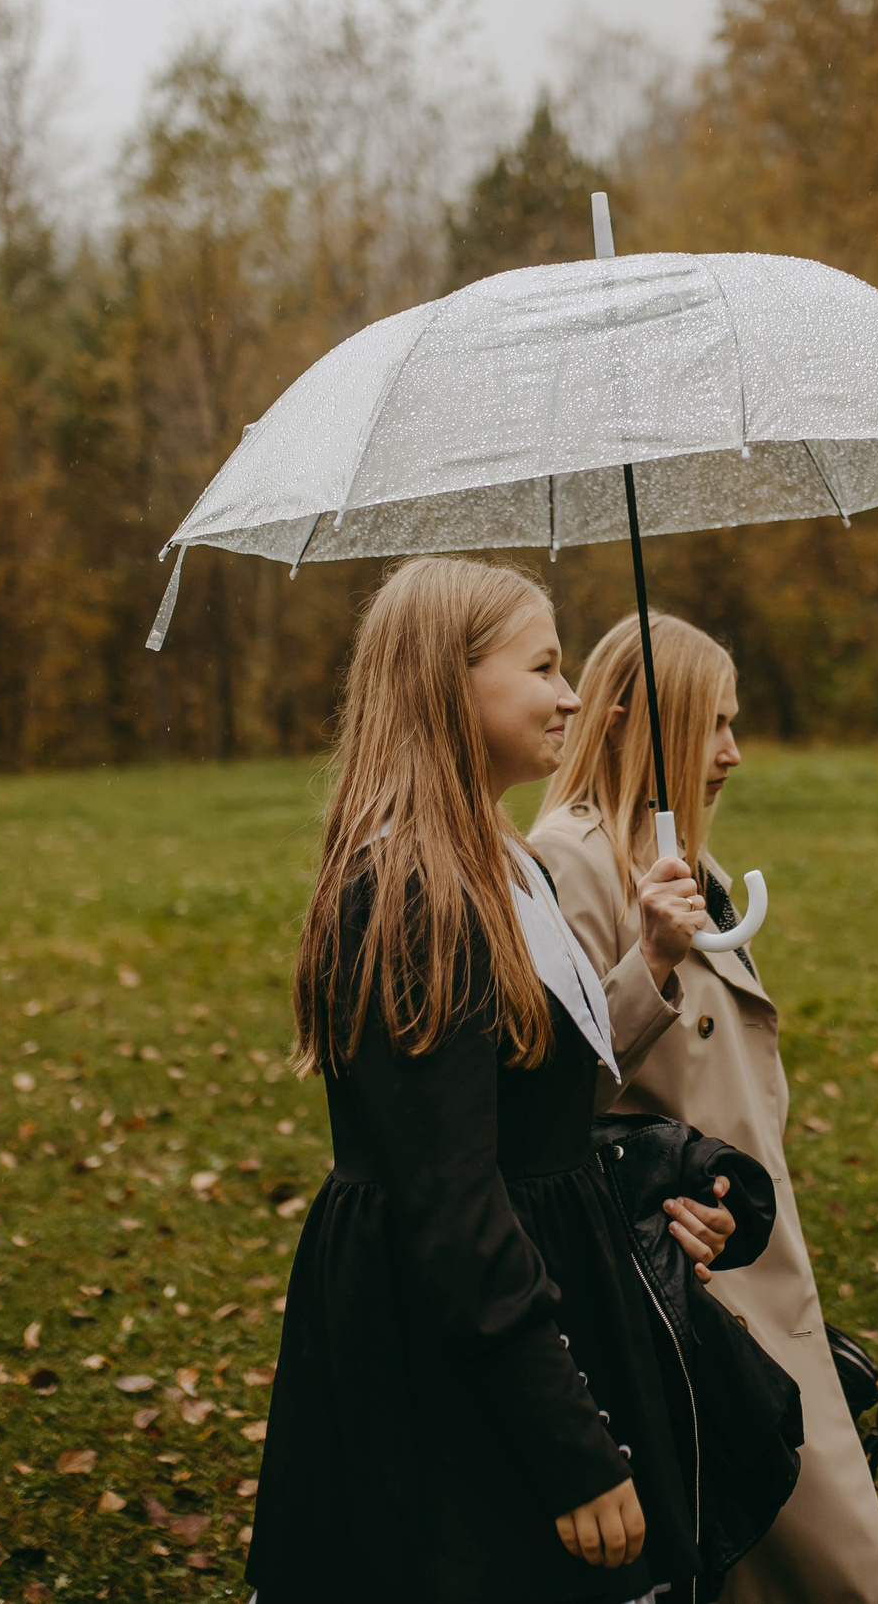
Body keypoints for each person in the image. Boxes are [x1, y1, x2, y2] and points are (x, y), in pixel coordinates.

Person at [246, 557, 752, 1604]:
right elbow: (452, 1201)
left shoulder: (503, 859)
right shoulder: (414, 892)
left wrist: (644, 1187)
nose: (572, 695)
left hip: (534, 1293)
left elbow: (538, 1103)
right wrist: (567, 1445)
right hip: (462, 1351)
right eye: (543, 667)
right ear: (446, 684)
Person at [532, 613, 878, 1604]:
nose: (734, 752)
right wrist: (647, 956)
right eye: (710, 725)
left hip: (749, 1247)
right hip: (679, 1273)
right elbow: (546, 1084)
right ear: (624, 723)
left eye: (735, 723)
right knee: (798, 1554)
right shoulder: (565, 861)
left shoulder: (693, 863)